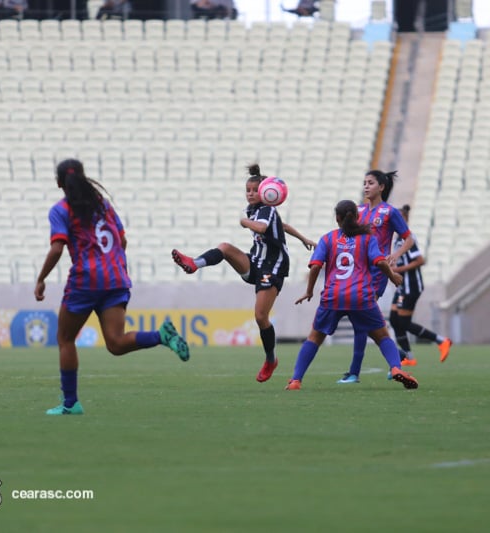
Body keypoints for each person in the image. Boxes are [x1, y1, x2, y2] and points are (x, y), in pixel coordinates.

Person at [35, 159, 190, 416]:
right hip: (116, 277)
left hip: (85, 281)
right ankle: (161, 336)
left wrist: (41, 279)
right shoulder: (102, 206)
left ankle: (71, 403)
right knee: (116, 343)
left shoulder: (61, 210)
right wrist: (113, 264)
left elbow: (57, 247)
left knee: (65, 339)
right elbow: (122, 239)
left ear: (59, 182)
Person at [171, 164, 315, 383]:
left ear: (266, 192)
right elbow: (281, 225)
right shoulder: (255, 210)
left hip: (273, 267)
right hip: (255, 262)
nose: (249, 194)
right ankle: (194, 264)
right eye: (247, 190)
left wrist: (243, 222)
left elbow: (263, 228)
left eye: (254, 190)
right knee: (226, 247)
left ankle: (270, 359)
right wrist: (303, 238)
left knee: (260, 316)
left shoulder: (265, 209)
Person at [286, 200, 418, 391]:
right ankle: (396, 367)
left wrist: (309, 291)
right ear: (357, 217)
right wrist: (392, 276)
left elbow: (315, 266)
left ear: (337, 218)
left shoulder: (328, 238)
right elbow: (380, 262)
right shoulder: (367, 238)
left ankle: (296, 380)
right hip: (361, 296)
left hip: (333, 296)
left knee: (314, 338)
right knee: (382, 336)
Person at [337, 170, 415, 384]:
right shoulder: (358, 210)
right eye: (364, 183)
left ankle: (354, 372)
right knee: (364, 320)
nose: (366, 186)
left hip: (377, 272)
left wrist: (395, 255)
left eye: (370, 183)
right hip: (357, 271)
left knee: (361, 319)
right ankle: (397, 356)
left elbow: (408, 238)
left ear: (381, 187)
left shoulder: (389, 212)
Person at [389, 205, 452, 368]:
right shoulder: (397, 240)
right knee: (395, 320)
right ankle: (409, 357)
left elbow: (420, 260)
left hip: (412, 286)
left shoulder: (406, 239)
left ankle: (442, 341)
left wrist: (397, 270)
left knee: (403, 322)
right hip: (403, 288)